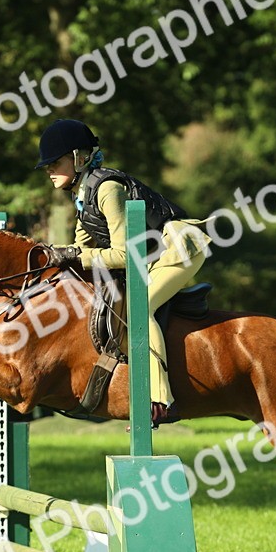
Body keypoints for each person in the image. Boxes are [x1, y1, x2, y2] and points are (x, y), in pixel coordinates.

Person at [34, 118, 211, 427]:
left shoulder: (107, 189)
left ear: (79, 158)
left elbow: (123, 254)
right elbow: (80, 252)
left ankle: (160, 402)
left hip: (180, 246)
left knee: (140, 310)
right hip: (157, 254)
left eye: (55, 162)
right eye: (47, 164)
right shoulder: (82, 199)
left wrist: (74, 255)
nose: (49, 170)